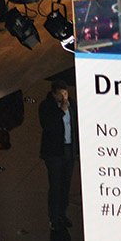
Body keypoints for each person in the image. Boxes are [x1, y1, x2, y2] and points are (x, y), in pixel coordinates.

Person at [39, 84, 77, 227]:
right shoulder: (46, 106)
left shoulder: (72, 104)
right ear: (54, 94)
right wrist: (61, 111)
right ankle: (54, 218)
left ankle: (62, 214)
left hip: (69, 149)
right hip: (54, 153)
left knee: (65, 185)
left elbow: (75, 126)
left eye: (66, 94)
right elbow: (47, 126)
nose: (64, 98)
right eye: (61, 95)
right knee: (55, 185)